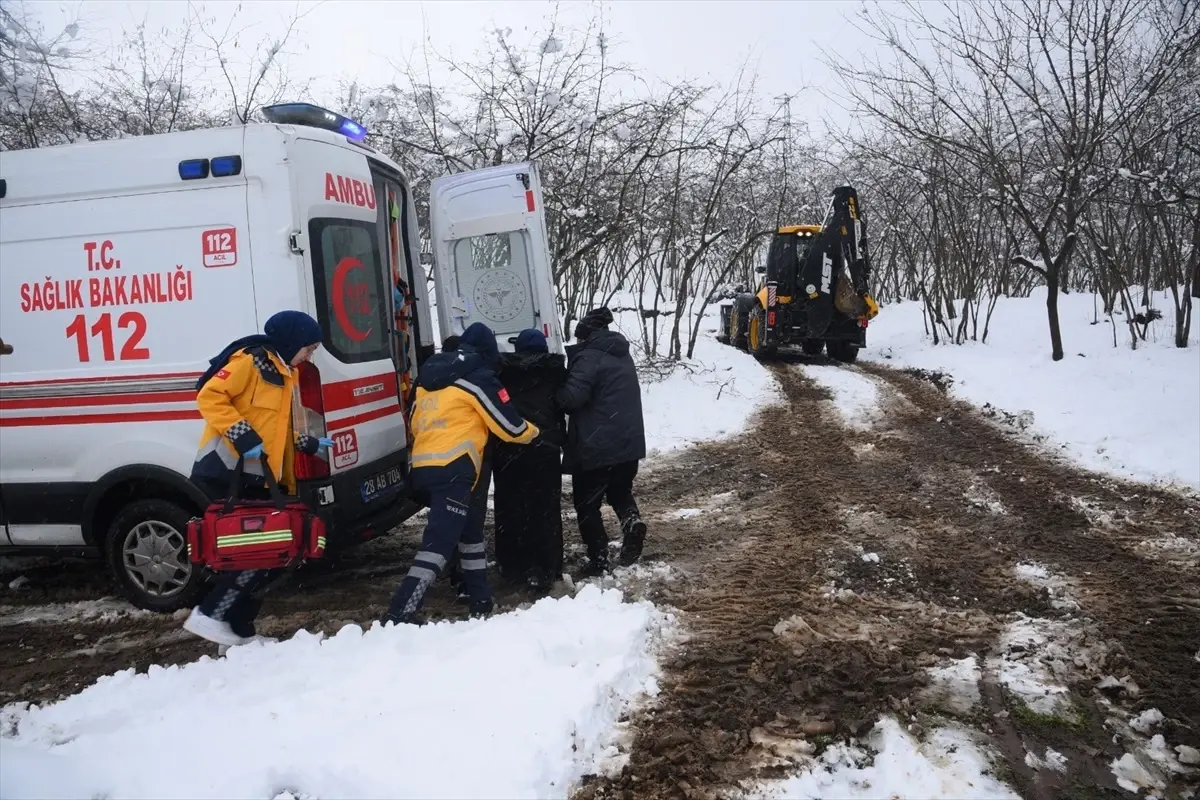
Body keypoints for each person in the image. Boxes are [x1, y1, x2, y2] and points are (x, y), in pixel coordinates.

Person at [182, 310, 332, 647]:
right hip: (226, 473)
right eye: (308, 349)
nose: (309, 357)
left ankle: (238, 633)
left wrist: (304, 443)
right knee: (255, 554)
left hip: (258, 477)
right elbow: (209, 395)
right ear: (292, 342)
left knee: (266, 552)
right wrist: (242, 435)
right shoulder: (250, 362)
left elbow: (272, 428)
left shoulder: (283, 371)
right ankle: (211, 615)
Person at [383, 322, 540, 625]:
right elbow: (509, 427)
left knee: (469, 534)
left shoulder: (428, 378)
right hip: (453, 468)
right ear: (488, 353)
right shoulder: (478, 378)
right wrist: (534, 432)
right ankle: (401, 611)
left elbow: (413, 418)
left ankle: (481, 600)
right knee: (439, 544)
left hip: (423, 466)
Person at [558, 307, 648, 575]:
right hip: (628, 442)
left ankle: (599, 558)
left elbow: (571, 399)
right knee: (619, 490)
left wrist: (553, 387)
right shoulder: (621, 355)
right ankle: (631, 520)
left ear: (586, 337)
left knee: (587, 504)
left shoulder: (589, 358)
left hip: (597, 445)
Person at [493, 328, 568, 592]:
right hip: (544, 449)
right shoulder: (555, 373)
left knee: (509, 509)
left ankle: (512, 567)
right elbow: (564, 405)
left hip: (508, 450)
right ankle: (548, 568)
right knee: (546, 511)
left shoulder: (503, 374)